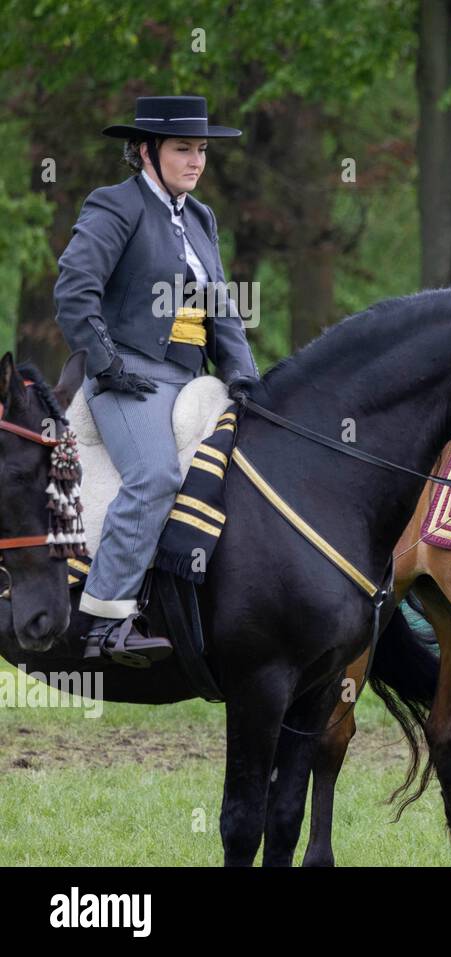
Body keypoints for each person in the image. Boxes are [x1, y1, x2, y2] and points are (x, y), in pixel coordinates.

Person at [53, 95, 258, 666]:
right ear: (146, 151)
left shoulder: (200, 217)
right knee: (154, 475)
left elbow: (220, 306)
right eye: (183, 149)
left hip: (191, 383)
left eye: (202, 151)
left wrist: (243, 373)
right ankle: (104, 622)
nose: (196, 161)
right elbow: (74, 291)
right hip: (128, 380)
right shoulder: (114, 206)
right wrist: (107, 362)